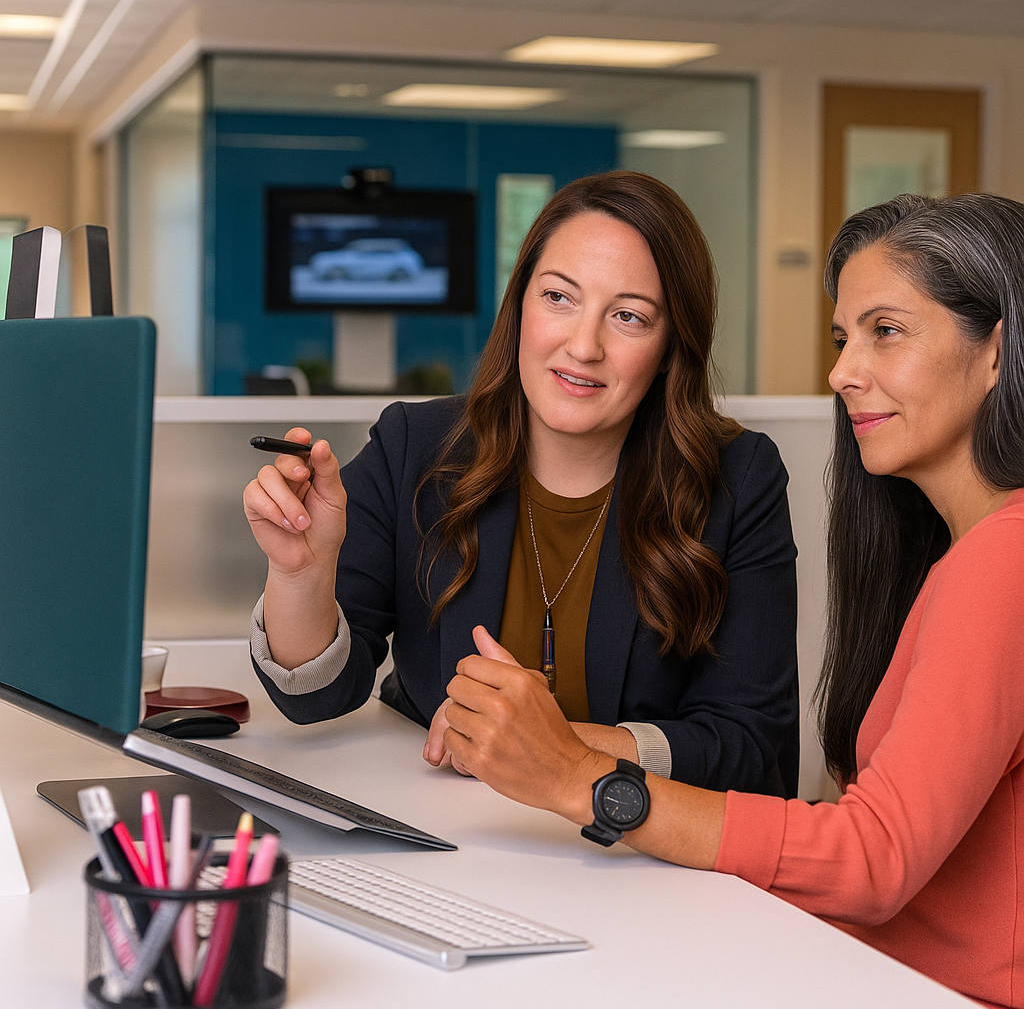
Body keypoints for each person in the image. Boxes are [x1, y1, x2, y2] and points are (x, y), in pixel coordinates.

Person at [441, 191, 1024, 1008]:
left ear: (998, 349)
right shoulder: (967, 550)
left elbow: (874, 860)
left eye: (885, 331)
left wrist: (583, 779)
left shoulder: (1005, 560)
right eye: (842, 336)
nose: (842, 371)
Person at [243, 170, 800, 796]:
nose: (583, 345)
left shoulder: (736, 481)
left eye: (628, 317)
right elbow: (315, 699)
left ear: (672, 345)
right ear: (520, 306)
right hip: (454, 838)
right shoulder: (416, 447)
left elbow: (754, 748)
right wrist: (300, 578)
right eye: (558, 298)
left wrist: (547, 744)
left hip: (640, 859)